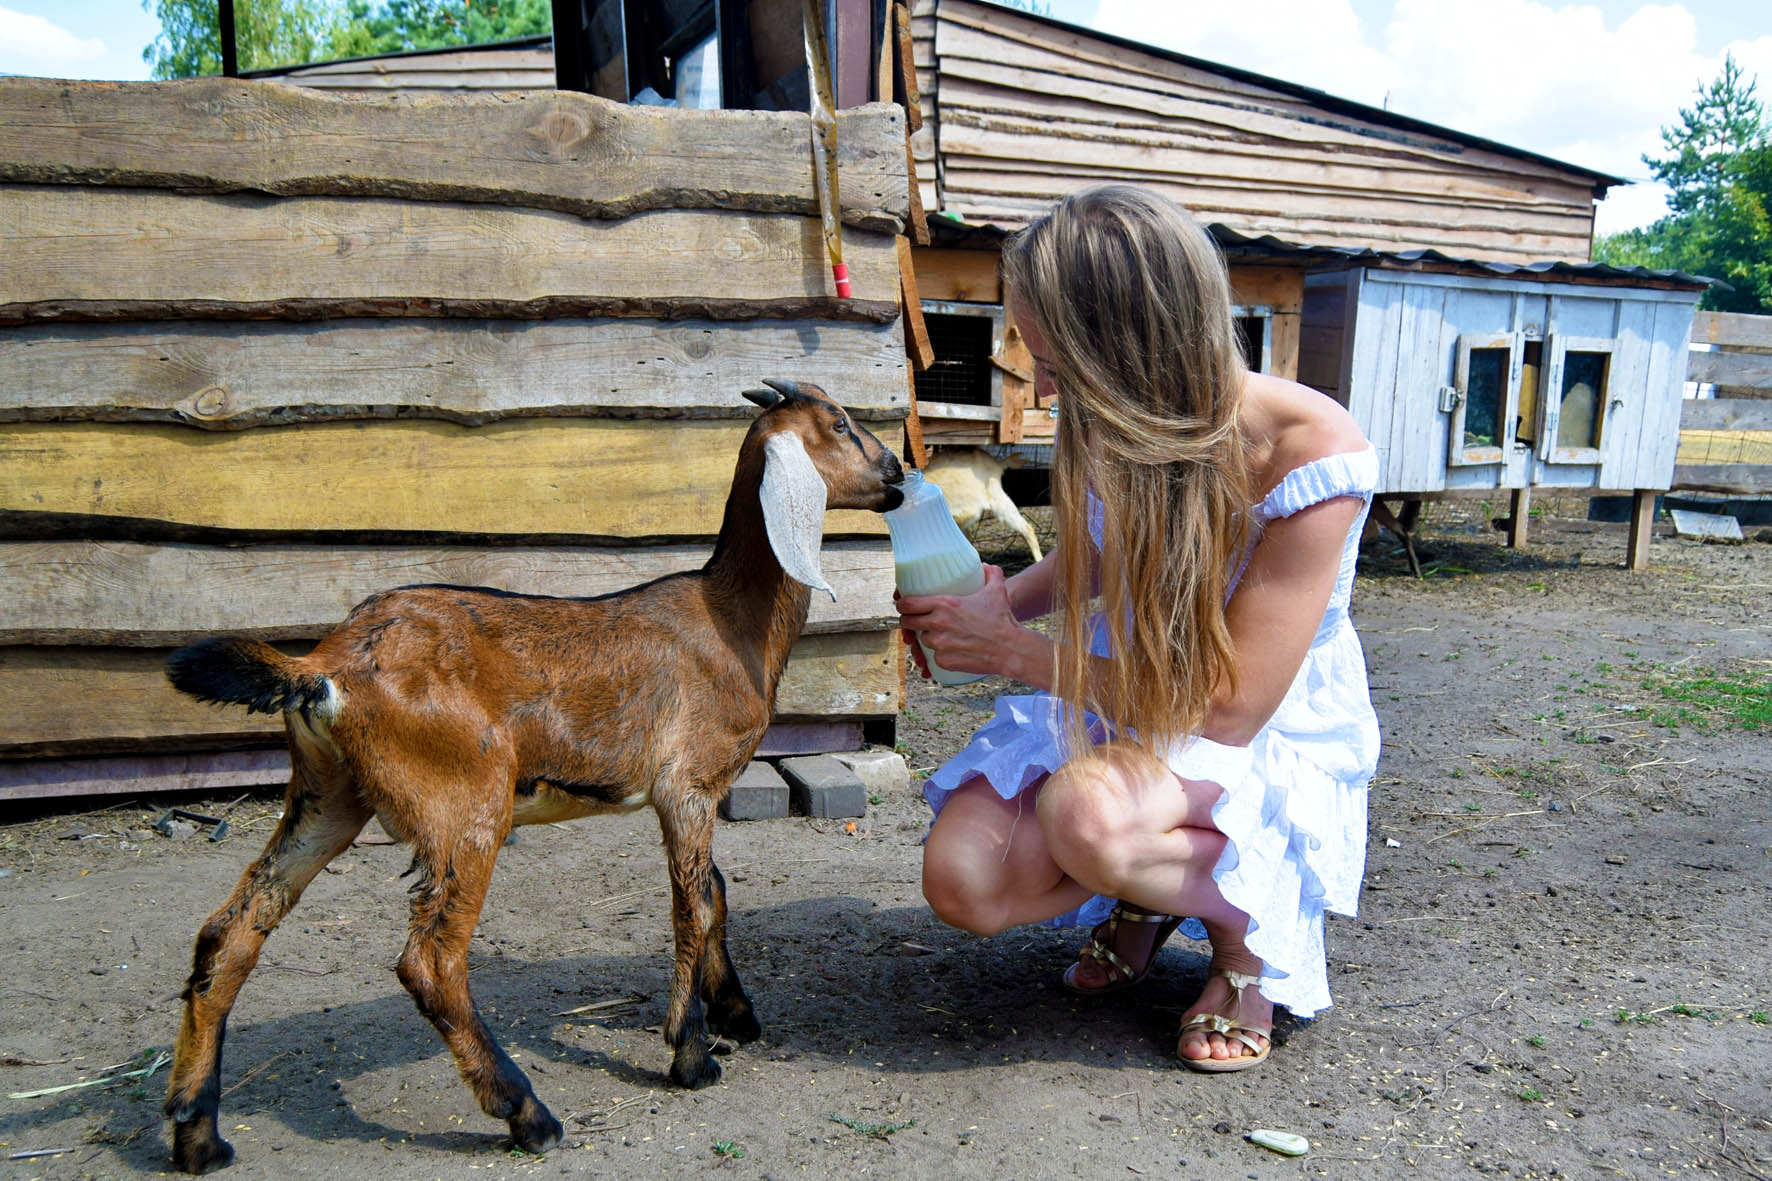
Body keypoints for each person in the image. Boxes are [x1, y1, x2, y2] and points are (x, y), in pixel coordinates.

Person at [895, 185, 1380, 1072]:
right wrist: (1004, 604)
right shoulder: (1116, 421)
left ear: (1129, 347)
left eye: (1053, 360)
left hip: (1250, 722)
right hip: (1132, 681)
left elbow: (1229, 710)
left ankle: (1249, 942)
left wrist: (1017, 653)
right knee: (965, 880)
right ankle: (1146, 894)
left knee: (1089, 816)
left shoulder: (1311, 454)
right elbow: (1106, 556)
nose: (1041, 385)